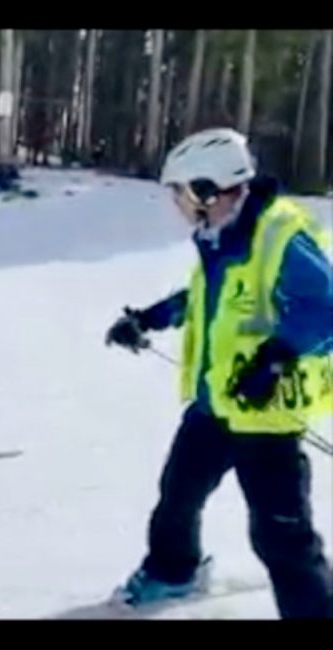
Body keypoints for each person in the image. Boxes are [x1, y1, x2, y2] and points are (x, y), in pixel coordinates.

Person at [105, 127, 333, 618]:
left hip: (266, 413)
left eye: (180, 194)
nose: (177, 206)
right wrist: (147, 318)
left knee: (281, 537)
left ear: (208, 190)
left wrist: (275, 358)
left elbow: (326, 308)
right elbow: (201, 300)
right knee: (178, 495)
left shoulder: (279, 235)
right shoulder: (220, 238)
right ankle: (175, 570)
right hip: (216, 404)